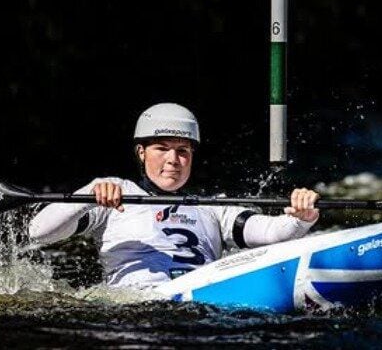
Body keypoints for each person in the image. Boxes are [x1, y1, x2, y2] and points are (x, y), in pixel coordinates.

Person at [28, 103, 320, 288]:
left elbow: (270, 232)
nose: (173, 160)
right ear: (141, 153)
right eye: (162, 148)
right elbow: (39, 233)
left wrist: (299, 219)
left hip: (200, 302)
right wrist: (88, 196)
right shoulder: (115, 193)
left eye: (183, 151)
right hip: (135, 309)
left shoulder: (213, 207)